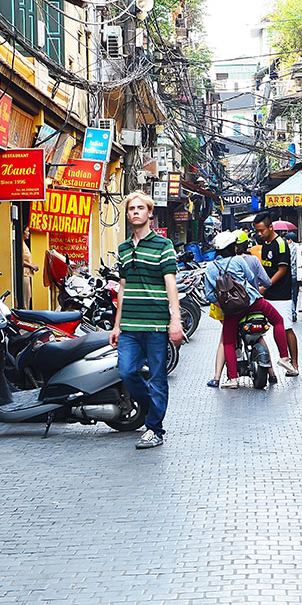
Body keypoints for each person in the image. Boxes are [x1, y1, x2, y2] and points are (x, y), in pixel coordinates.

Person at [110, 191, 183, 450]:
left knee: (158, 377)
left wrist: (176, 320)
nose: (136, 212)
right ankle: (153, 408)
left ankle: (154, 429)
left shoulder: (163, 246)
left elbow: (170, 284)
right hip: (129, 324)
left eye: (141, 208)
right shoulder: (124, 248)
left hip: (155, 324)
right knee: (127, 372)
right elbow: (122, 287)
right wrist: (117, 324)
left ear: (150, 213)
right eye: (132, 209)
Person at [204, 231, 295, 388]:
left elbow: (210, 296)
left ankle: (233, 379)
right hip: (253, 302)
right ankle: (284, 358)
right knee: (278, 320)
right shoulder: (239, 260)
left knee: (229, 342)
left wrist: (224, 304)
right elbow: (251, 277)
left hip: (232, 311)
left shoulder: (210, 268)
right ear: (233, 248)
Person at [253, 212, 299, 375]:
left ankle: (294, 365)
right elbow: (266, 269)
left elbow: (282, 270)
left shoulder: (280, 244)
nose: (259, 234)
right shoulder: (265, 244)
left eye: (261, 230)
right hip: (267, 294)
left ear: (270, 227)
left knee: (286, 328)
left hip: (281, 294)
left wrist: (265, 286)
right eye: (257, 231)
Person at [22, 226, 39, 309]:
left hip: (27, 273)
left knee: (28, 295)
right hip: (24, 273)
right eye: (27, 231)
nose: (28, 233)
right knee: (25, 297)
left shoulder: (24, 244)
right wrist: (31, 265)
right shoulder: (21, 245)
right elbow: (20, 260)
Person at [285, 231, 299, 322]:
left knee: (290, 294)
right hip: (299, 274)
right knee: (295, 294)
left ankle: (293, 313)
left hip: (290, 274)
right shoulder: (300, 247)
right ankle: (294, 310)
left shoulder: (288, 248)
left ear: (290, 240)